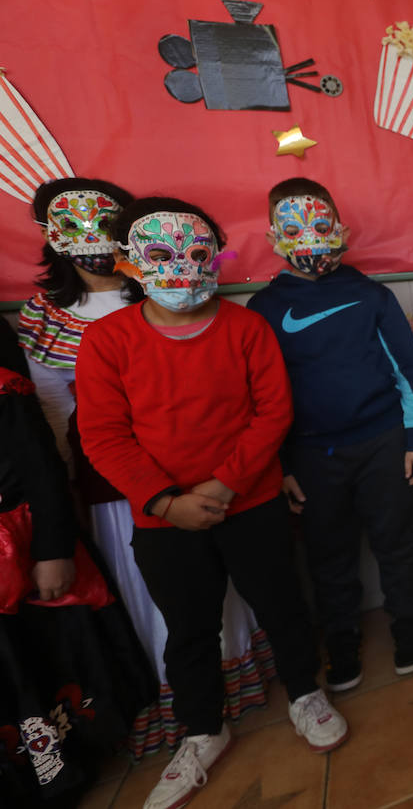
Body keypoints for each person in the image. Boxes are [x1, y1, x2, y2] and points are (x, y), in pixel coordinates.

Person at [76, 198, 347, 809]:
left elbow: (272, 411)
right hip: (163, 518)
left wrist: (225, 485)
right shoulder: (108, 341)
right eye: (163, 256)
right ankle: (202, 728)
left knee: (283, 604)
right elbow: (102, 434)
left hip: (249, 503)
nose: (182, 270)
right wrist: (166, 501)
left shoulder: (248, 328)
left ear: (217, 254)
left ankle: (305, 690)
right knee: (189, 628)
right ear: (129, 262)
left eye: (197, 254)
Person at [18, 178, 273, 759]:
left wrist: (227, 478)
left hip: (226, 481)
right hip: (121, 484)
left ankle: (238, 691)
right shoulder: (53, 318)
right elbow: (59, 412)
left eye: (102, 223)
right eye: (73, 225)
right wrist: (91, 492)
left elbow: (256, 406)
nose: (90, 239)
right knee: (166, 600)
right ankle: (192, 717)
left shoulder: (185, 305)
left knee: (228, 591)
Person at [247, 179, 413, 692]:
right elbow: (262, 399)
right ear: (273, 237)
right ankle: (343, 639)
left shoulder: (370, 295)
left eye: (321, 225)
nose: (310, 238)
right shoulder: (263, 309)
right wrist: (280, 466)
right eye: (293, 228)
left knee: (396, 542)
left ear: (340, 228)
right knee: (328, 553)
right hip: (309, 456)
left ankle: (405, 623)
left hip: (383, 443)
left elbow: (407, 371)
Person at [0, 318, 156, 806]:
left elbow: (36, 458)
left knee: (37, 662)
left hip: (20, 543)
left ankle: (62, 769)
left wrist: (52, 547)